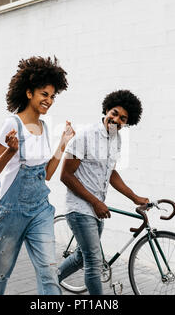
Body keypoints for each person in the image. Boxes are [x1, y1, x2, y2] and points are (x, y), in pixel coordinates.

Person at [0, 56, 75, 295]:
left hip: (39, 211)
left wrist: (63, 143)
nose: (49, 100)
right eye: (44, 94)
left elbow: (45, 175)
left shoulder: (44, 128)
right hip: (11, 212)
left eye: (52, 96)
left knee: (49, 273)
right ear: (28, 93)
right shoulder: (11, 124)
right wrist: (10, 152)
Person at [57, 89, 149, 295]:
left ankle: (49, 281)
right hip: (80, 208)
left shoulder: (116, 139)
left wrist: (135, 197)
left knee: (83, 257)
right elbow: (66, 175)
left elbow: (111, 172)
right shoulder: (85, 136)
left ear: (128, 122)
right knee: (93, 261)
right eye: (114, 113)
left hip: (97, 208)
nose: (116, 119)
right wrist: (96, 203)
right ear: (107, 109)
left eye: (123, 118)